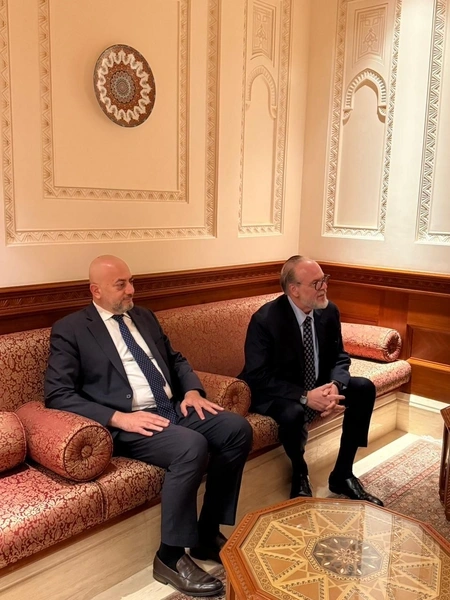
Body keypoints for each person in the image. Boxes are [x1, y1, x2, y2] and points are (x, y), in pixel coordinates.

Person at [45, 255, 253, 597]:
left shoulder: (143, 316)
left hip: (172, 407)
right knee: (191, 447)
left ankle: (206, 533)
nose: (131, 290)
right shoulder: (72, 329)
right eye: (121, 285)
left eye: (131, 281)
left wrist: (192, 391)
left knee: (236, 429)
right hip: (129, 423)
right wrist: (118, 418)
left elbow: (175, 359)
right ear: (96, 291)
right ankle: (169, 556)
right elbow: (58, 395)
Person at [238, 255, 383, 506]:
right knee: (293, 412)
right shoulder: (266, 320)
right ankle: (300, 472)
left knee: (363, 388)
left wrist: (335, 386)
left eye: (324, 279)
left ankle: (343, 473)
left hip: (319, 383)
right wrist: (305, 396)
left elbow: (340, 357)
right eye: (316, 283)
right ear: (294, 289)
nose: (324, 287)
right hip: (278, 391)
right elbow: (257, 375)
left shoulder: (329, 311)